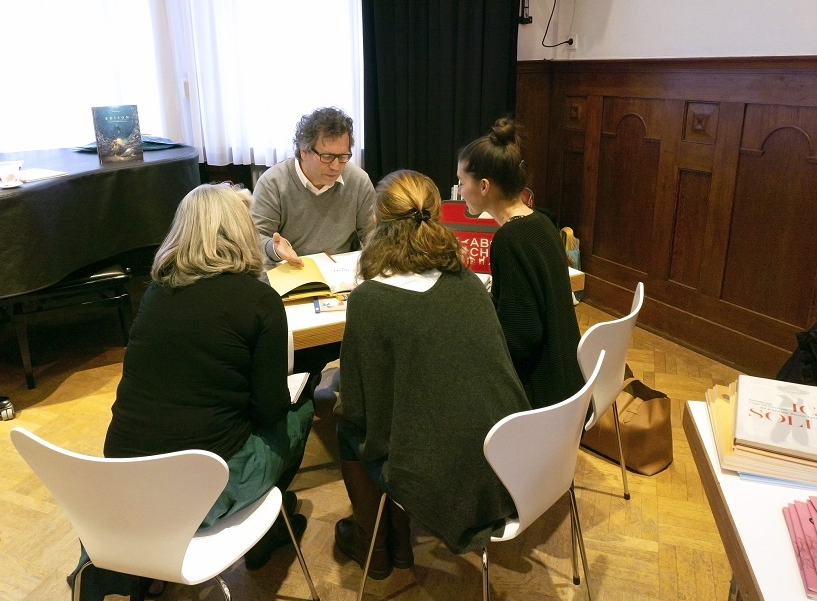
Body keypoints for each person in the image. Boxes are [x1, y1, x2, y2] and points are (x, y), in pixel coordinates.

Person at [100, 183, 314, 579]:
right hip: (201, 492)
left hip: (124, 484)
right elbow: (269, 410)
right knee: (301, 411)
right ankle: (265, 535)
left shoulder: (156, 294)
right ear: (242, 232)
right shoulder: (258, 300)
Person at [334, 170, 531, 580]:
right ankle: (399, 542)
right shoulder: (469, 283)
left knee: (346, 428)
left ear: (377, 222)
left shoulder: (369, 299)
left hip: (445, 485)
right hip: (513, 466)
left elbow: (360, 409)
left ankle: (375, 550)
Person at [457, 117, 585, 409]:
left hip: (542, 400)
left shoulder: (509, 239)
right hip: (568, 387)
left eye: (462, 182)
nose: (460, 191)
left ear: (484, 186)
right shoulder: (541, 222)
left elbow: (520, 337)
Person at [250, 106, 376, 394]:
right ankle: (296, 391)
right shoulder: (274, 182)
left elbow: (371, 237)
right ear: (303, 151)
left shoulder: (357, 181)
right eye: (327, 157)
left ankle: (349, 390)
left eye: (343, 157)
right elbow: (253, 239)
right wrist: (275, 248)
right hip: (288, 277)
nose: (336, 166)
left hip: (339, 280)